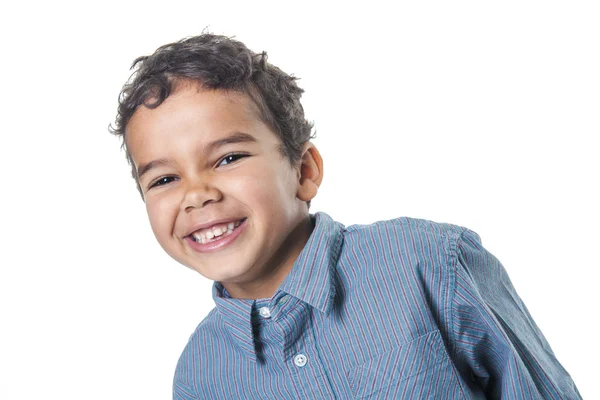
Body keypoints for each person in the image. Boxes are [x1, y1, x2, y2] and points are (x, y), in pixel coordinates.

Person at [110, 33, 582, 399]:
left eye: (228, 158)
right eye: (163, 180)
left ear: (305, 170)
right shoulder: (199, 373)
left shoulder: (430, 262)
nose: (196, 195)